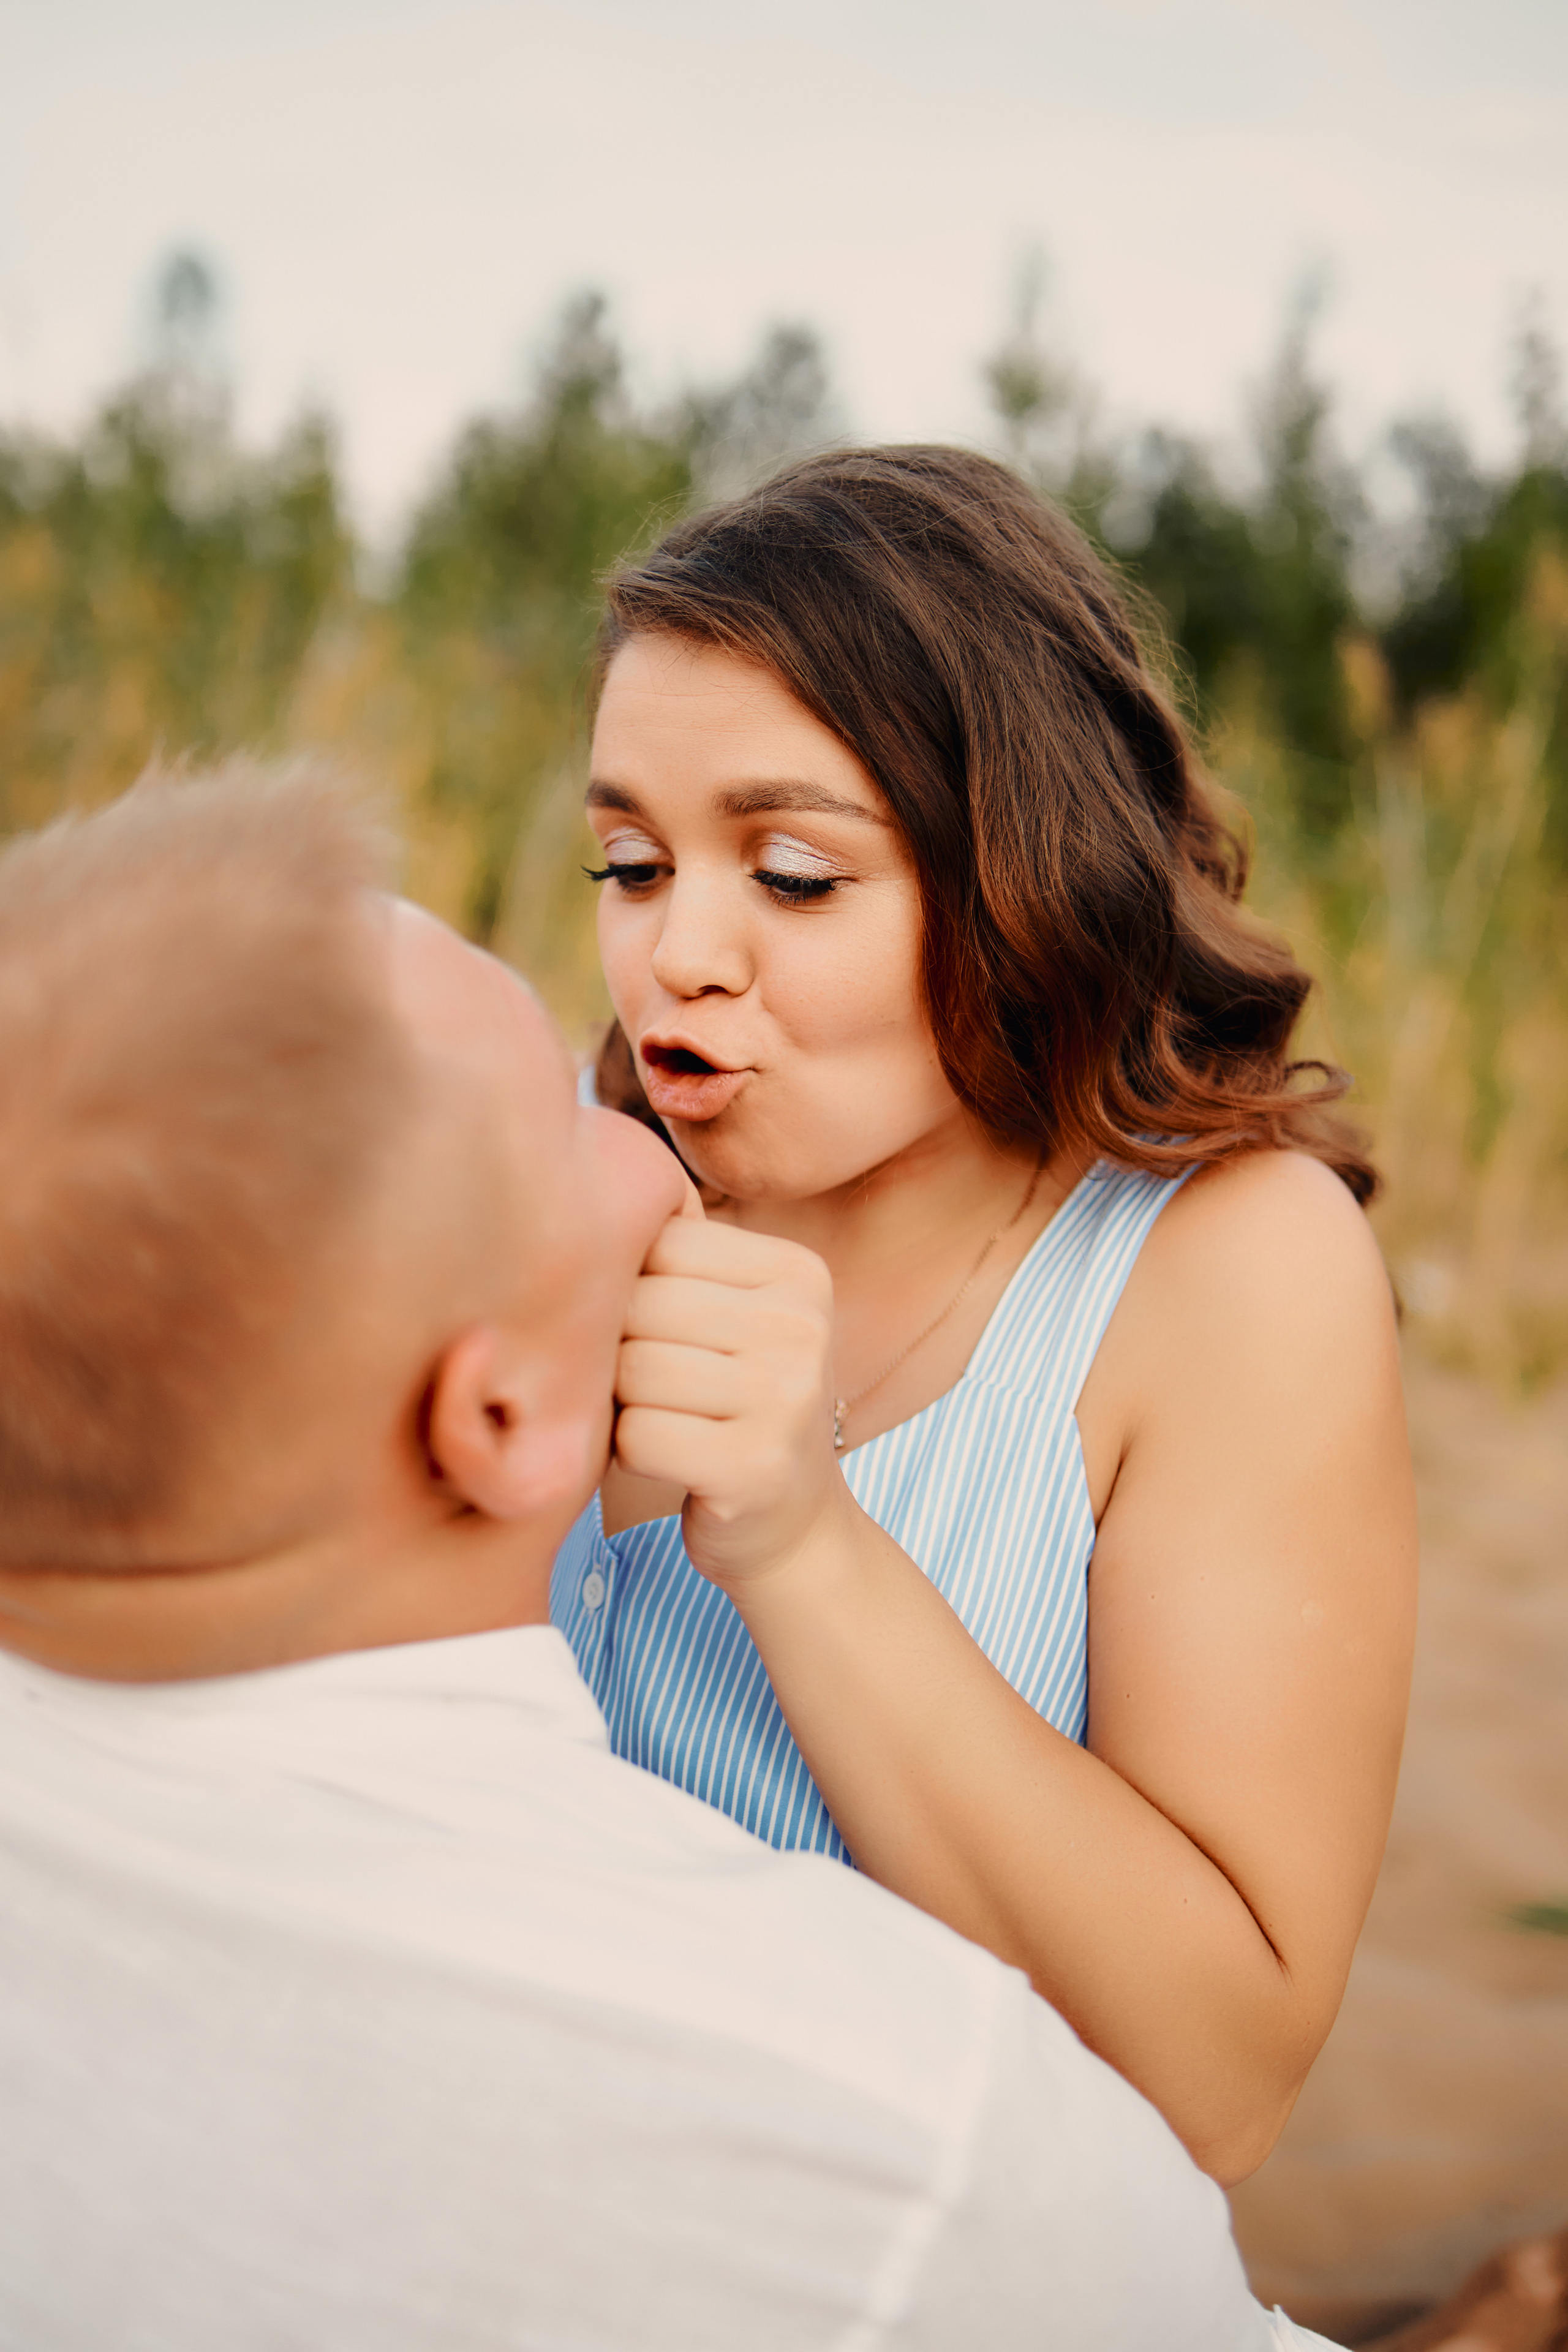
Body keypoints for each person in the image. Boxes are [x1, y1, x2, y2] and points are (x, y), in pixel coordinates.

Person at [0, 764, 1337, 2350]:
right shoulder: (917, 2136)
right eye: (570, 1126)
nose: (640, 1049)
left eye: (786, 870)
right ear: (497, 1415)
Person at [557, 443, 1420, 2187]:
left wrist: (805, 1547)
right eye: (632, 867)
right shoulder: (580, 1189)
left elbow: (1218, 2091)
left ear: (1027, 865)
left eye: (791, 875)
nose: (678, 956)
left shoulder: (1229, 1268)